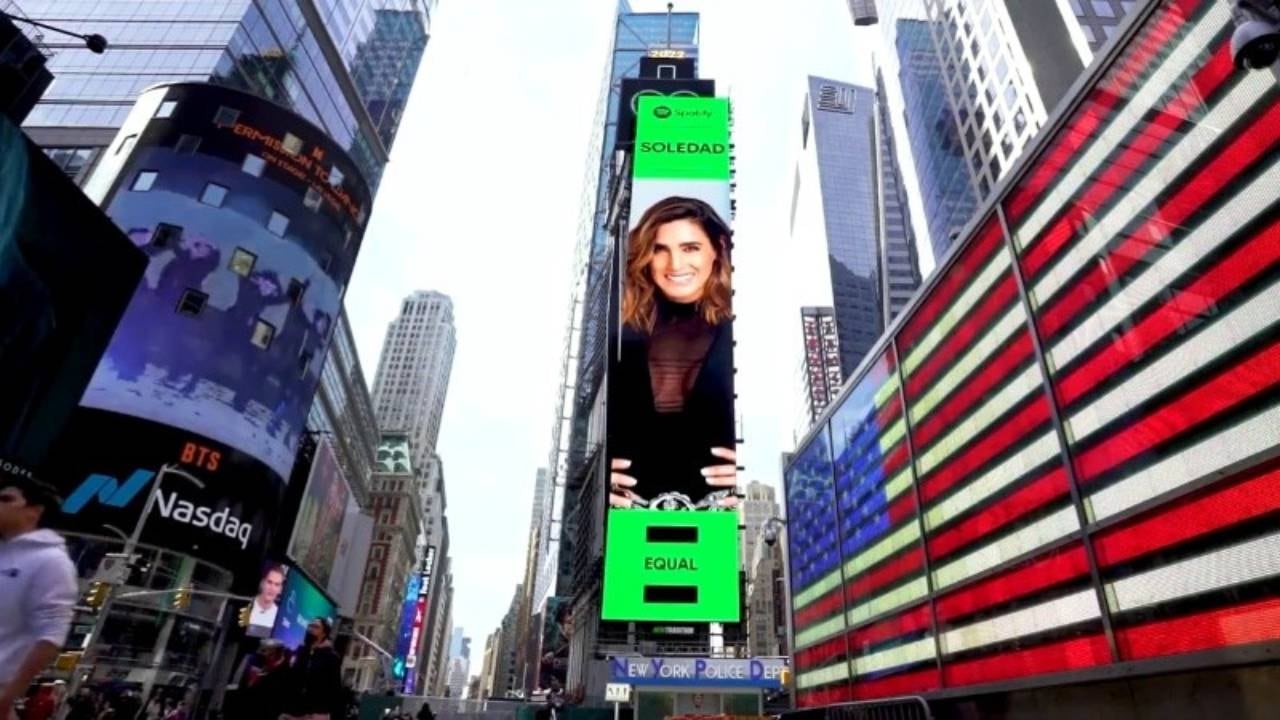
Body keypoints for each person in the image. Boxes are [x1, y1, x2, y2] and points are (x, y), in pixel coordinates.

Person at [608, 196, 738, 510]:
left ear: (717, 249)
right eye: (660, 249)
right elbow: (583, 428)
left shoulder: (744, 326)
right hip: (626, 517)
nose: (675, 265)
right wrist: (598, 479)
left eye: (690, 248)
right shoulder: (619, 327)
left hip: (716, 517)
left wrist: (752, 468)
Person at [0, 462, 78, 720]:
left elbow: (51, 636)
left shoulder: (51, 561)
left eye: (6, 498)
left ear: (34, 512)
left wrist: (8, 695)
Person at [282, 618, 342, 720]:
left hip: (316, 712)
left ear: (324, 633)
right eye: (310, 626)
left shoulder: (331, 656)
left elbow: (334, 688)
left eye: (316, 627)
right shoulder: (301, 651)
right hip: (293, 710)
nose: (310, 629)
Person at [240, 641, 290, 720]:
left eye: (265, 651)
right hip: (253, 703)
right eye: (262, 650)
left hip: (266, 706)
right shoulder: (257, 661)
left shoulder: (281, 668)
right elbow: (250, 683)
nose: (262, 653)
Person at [247, 564, 285, 636]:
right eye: (269, 582)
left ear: (280, 589)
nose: (272, 588)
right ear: (262, 583)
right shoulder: (246, 605)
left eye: (277, 585)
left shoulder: (279, 617)